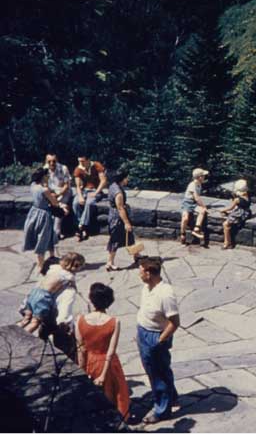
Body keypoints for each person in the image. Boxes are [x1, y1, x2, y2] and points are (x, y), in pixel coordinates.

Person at [76, 283, 131, 421]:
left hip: (90, 362)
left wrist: (82, 371)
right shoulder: (114, 322)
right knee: (114, 396)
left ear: (91, 299)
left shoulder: (80, 320)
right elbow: (111, 351)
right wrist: (103, 375)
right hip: (109, 366)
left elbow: (81, 349)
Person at [136, 256, 180, 424]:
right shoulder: (147, 287)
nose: (139, 275)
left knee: (157, 374)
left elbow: (175, 323)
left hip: (155, 336)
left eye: (141, 272)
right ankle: (171, 397)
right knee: (159, 370)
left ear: (149, 273)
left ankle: (162, 410)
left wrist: (159, 341)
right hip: (143, 332)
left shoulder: (165, 295)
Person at [18, 252, 85, 334]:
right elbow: (73, 287)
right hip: (43, 298)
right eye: (80, 266)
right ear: (74, 266)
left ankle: (14, 331)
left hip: (34, 293)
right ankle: (22, 336)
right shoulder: (69, 276)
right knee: (35, 322)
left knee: (26, 318)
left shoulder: (54, 269)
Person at [23, 167, 64, 273]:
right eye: (47, 176)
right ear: (43, 177)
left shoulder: (33, 185)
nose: (48, 177)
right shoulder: (44, 190)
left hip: (35, 211)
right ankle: (40, 265)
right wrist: (57, 198)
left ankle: (52, 256)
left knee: (50, 234)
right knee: (43, 237)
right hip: (44, 214)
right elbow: (54, 202)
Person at [106, 169, 139, 271]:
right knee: (115, 240)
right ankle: (110, 263)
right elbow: (120, 208)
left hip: (114, 215)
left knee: (129, 237)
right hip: (118, 219)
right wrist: (127, 223)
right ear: (122, 179)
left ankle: (136, 256)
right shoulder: (118, 192)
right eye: (126, 177)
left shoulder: (113, 185)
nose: (127, 179)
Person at [72, 155, 107, 242]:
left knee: (89, 203)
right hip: (84, 191)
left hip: (95, 190)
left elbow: (103, 181)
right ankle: (82, 227)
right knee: (75, 203)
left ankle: (81, 227)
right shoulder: (78, 169)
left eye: (83, 161)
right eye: (79, 161)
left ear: (88, 160)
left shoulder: (96, 165)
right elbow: (77, 185)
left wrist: (96, 192)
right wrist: (80, 196)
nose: (81, 163)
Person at [44, 154, 72, 240]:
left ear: (57, 160)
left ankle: (56, 232)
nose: (52, 163)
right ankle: (52, 232)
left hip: (63, 192)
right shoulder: (44, 169)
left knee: (58, 207)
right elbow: (44, 185)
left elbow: (66, 186)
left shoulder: (63, 169)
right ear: (46, 161)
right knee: (52, 207)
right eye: (49, 161)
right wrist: (51, 195)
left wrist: (58, 195)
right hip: (51, 193)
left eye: (54, 161)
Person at [180, 168, 209, 245]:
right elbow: (196, 198)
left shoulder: (199, 184)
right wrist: (204, 206)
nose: (204, 177)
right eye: (203, 176)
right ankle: (183, 234)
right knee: (185, 218)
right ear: (199, 177)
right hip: (187, 203)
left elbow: (196, 199)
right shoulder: (192, 185)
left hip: (194, 204)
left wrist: (203, 208)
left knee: (202, 211)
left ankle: (196, 229)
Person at [220, 179, 251, 250]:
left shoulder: (237, 200)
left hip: (239, 213)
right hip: (246, 212)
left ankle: (227, 242)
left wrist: (223, 210)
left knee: (225, 224)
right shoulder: (247, 195)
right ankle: (228, 242)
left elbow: (230, 208)